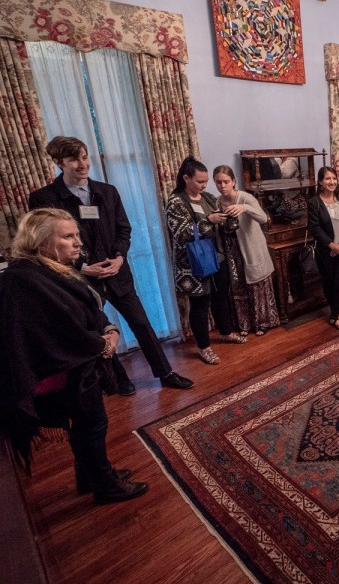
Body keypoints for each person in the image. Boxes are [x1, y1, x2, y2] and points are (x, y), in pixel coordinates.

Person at [0, 208, 148, 503]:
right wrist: (105, 344)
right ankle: (105, 485)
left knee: (87, 426)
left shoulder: (47, 269)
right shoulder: (23, 278)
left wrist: (108, 328)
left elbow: (85, 310)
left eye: (77, 235)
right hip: (64, 372)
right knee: (93, 425)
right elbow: (61, 331)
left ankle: (91, 477)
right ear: (41, 241)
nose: (78, 242)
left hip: (75, 369)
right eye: (68, 236)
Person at [29, 136, 192, 392]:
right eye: (74, 159)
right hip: (80, 279)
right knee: (96, 332)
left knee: (141, 324)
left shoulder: (108, 191)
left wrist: (119, 257)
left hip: (117, 273)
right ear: (59, 162)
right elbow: (46, 243)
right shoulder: (43, 198)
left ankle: (165, 372)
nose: (83, 164)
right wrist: (82, 267)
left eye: (85, 157)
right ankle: (118, 379)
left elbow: (123, 229)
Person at [165, 157, 245, 366]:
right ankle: (204, 347)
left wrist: (230, 218)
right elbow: (181, 234)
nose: (204, 185)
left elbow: (224, 228)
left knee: (222, 297)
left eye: (206, 181)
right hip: (194, 264)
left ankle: (226, 331)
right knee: (200, 305)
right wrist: (209, 221)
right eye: (200, 181)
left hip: (218, 257)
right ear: (186, 178)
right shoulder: (175, 202)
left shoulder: (209, 198)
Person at [213, 166, 280, 336]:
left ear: (233, 181)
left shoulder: (245, 197)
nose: (222, 186)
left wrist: (245, 208)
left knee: (257, 285)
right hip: (231, 250)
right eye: (218, 182)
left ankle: (263, 322)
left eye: (226, 181)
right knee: (238, 285)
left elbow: (264, 218)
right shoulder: (217, 202)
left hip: (251, 248)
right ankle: (245, 323)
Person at [307, 166, 339, 331]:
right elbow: (315, 228)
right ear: (320, 182)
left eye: (334, 178)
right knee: (329, 282)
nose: (332, 182)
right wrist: (332, 245)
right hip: (326, 251)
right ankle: (335, 314)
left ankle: (334, 315)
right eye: (328, 178)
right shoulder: (314, 202)